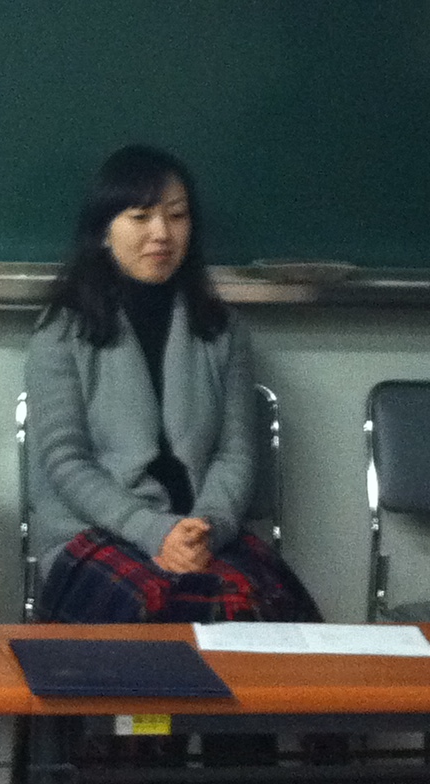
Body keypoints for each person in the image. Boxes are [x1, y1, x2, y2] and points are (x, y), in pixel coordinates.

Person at [26, 145, 319, 625]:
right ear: (104, 231)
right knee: (172, 607)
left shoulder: (222, 329)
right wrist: (152, 530)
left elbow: (235, 454)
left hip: (204, 531)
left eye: (177, 216)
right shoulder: (62, 331)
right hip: (98, 531)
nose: (162, 233)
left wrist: (205, 528)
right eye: (141, 217)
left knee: (261, 610)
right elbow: (66, 461)